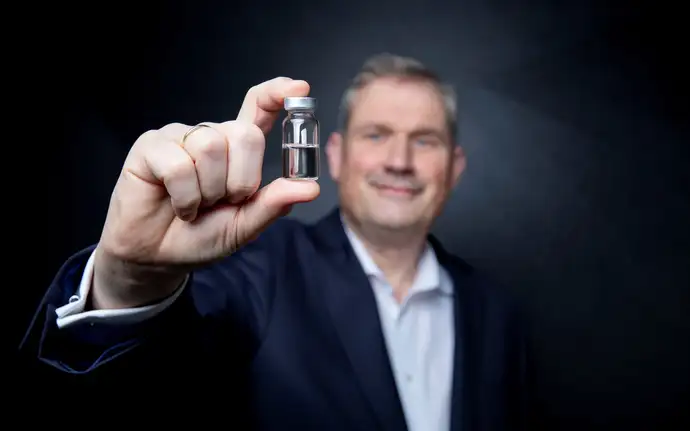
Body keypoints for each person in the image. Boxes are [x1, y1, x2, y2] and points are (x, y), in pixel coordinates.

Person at [19, 53, 532, 430]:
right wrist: (130, 277)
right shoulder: (259, 267)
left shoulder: (496, 311)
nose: (399, 160)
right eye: (376, 134)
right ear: (333, 155)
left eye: (425, 140)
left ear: (455, 166)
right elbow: (134, 402)